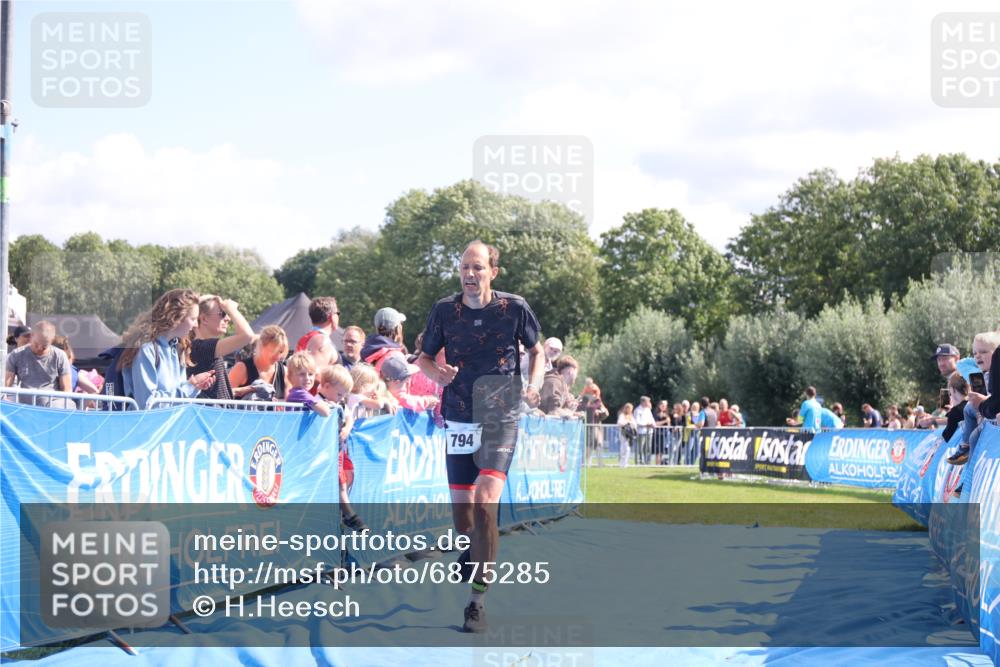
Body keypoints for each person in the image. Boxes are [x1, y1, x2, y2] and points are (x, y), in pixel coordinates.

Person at [415, 240, 543, 634]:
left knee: (487, 502)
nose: (471, 275)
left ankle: (477, 601)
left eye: (478, 268)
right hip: (458, 415)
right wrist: (437, 375)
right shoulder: (443, 311)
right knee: (464, 516)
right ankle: (470, 549)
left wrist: (534, 384)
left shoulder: (514, 308)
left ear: (493, 272)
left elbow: (537, 351)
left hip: (500, 412)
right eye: (465, 268)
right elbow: (423, 357)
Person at [118, 290, 216, 409]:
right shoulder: (146, 349)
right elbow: (147, 403)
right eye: (193, 319)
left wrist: (195, 385)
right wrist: (190, 387)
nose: (196, 325)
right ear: (176, 318)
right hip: (148, 426)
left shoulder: (177, 348)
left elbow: (175, 396)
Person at [316, 364, 367, 532]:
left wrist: (346, 428)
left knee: (342, 484)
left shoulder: (339, 403)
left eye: (343, 395)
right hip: (323, 454)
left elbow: (349, 417)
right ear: (326, 386)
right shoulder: (318, 401)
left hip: (337, 452)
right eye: (339, 394)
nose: (340, 398)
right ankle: (350, 515)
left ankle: (347, 516)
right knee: (337, 486)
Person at [189, 295, 256, 400]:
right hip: (211, 415)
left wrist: (234, 391)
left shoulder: (202, 347)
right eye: (223, 313)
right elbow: (247, 336)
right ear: (204, 318)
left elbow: (212, 392)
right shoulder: (201, 347)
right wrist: (232, 309)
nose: (228, 318)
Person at [5, 321, 72, 405]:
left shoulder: (60, 356)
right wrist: (7, 400)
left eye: (44, 346)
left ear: (51, 340)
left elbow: (67, 389)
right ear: (32, 335)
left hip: (53, 407)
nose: (40, 348)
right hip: (26, 408)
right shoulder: (16, 355)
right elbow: (7, 387)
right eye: (36, 344)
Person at [229, 325, 288, 401]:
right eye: (273, 351)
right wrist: (249, 389)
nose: (277, 356)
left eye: (281, 352)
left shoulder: (285, 372)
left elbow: (290, 402)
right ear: (262, 346)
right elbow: (223, 395)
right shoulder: (242, 368)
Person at [283, 352, 331, 417]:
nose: (307, 378)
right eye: (302, 374)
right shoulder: (300, 394)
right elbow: (325, 412)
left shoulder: (297, 393)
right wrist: (327, 405)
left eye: (310, 374)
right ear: (290, 377)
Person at [296, 297, 342, 361]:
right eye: (338, 313)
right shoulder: (321, 341)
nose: (338, 316)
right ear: (331, 316)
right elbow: (317, 369)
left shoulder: (305, 338)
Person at [362, 307, 407, 372]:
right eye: (400, 324)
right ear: (397, 329)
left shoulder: (367, 352)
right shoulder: (395, 357)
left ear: (377, 328)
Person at [634, 396, 655, 464]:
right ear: (643, 402)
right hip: (641, 432)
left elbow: (651, 419)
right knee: (640, 447)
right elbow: (637, 422)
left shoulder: (648, 410)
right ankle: (640, 461)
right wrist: (646, 425)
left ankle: (647, 461)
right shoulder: (637, 410)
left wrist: (653, 424)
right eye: (647, 401)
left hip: (649, 431)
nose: (649, 403)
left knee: (648, 447)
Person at [617, 402, 637, 468]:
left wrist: (630, 422)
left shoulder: (631, 416)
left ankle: (625, 462)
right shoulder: (622, 415)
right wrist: (627, 422)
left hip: (629, 434)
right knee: (623, 448)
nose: (630, 410)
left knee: (628, 448)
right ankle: (621, 463)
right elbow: (619, 423)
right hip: (623, 433)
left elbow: (634, 424)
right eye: (629, 408)